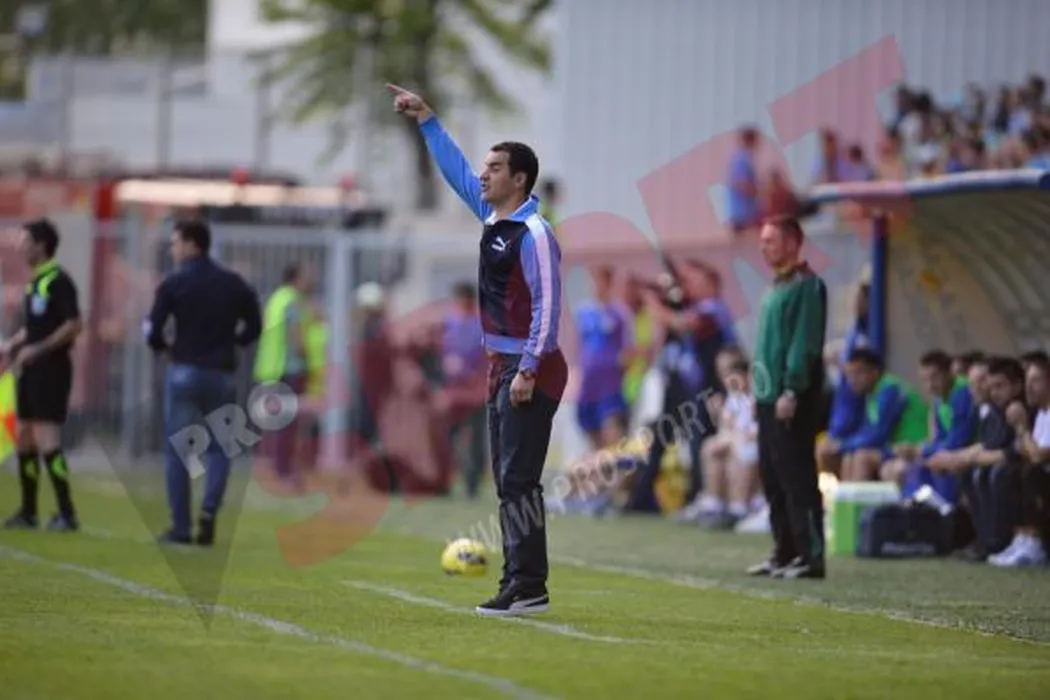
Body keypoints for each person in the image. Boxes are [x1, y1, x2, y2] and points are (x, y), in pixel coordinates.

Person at [388, 83, 567, 617]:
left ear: (519, 179)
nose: (483, 175)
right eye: (485, 167)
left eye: (495, 168)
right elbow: (456, 172)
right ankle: (521, 582)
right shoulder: (494, 218)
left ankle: (527, 586)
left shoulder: (534, 232)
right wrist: (427, 119)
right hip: (502, 365)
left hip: (530, 367)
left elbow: (549, 304)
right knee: (508, 479)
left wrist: (528, 368)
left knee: (518, 479)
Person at [145, 220, 262, 546]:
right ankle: (209, 510)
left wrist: (165, 348)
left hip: (184, 371)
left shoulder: (174, 283)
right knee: (220, 448)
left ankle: (181, 527)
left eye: (176, 243)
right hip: (221, 374)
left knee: (178, 451)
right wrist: (235, 342)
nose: (173, 249)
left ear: (192, 244)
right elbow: (254, 325)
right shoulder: (233, 283)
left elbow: (153, 329)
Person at [749, 215, 828, 580]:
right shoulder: (776, 287)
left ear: (794, 242)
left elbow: (803, 344)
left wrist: (792, 389)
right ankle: (785, 551)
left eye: (771, 241)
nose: (764, 247)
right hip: (768, 396)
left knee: (797, 477)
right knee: (773, 476)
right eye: (763, 241)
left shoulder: (807, 286)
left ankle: (811, 555)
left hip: (790, 397)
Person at [2, 219, 84, 532]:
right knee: (24, 436)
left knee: (47, 436)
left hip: (51, 370)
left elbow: (73, 324)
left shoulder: (59, 281)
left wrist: (37, 349)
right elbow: (38, 325)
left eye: (25, 242)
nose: (20, 247)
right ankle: (28, 511)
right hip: (30, 369)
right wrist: (15, 343)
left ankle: (67, 512)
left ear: (41, 245)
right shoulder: (35, 282)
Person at [253, 262, 315, 488]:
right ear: (296, 278)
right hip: (289, 368)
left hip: (272, 368)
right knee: (287, 424)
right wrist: (307, 356)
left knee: (278, 421)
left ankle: (278, 467)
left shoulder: (276, 299)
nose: (310, 279)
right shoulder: (291, 301)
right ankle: (284, 471)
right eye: (306, 275)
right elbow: (295, 334)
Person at [827, 348, 928, 482]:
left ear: (874, 372)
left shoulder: (890, 390)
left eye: (858, 373)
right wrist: (841, 444)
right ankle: (846, 495)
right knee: (849, 457)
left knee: (862, 458)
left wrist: (842, 445)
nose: (853, 380)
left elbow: (879, 435)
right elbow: (867, 431)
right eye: (850, 375)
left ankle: (860, 496)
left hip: (911, 446)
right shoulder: (871, 395)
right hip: (893, 447)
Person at [575, 266, 633, 450]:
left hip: (610, 385)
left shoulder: (620, 313)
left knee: (613, 432)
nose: (598, 287)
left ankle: (616, 463)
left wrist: (623, 373)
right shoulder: (584, 312)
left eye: (603, 282)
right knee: (593, 436)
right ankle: (601, 464)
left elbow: (627, 348)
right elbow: (581, 345)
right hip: (589, 384)